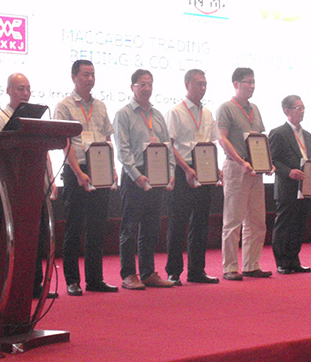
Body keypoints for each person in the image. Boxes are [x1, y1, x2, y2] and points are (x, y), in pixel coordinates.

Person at [0, 73, 58, 298]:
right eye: (20, 89)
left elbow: (43, 153)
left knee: (37, 237)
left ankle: (35, 285)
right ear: (8, 91)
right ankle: (14, 287)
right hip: (12, 188)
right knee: (15, 240)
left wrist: (50, 178)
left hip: (36, 186)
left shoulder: (34, 121)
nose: (26, 93)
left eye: (28, 89)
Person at [56, 60, 118, 296]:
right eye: (85, 74)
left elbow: (107, 138)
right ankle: (72, 280)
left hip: (100, 168)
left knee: (97, 227)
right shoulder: (64, 106)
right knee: (74, 227)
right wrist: (78, 173)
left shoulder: (100, 106)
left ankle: (95, 279)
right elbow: (65, 142)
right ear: (74, 77)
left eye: (92, 74)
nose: (90, 79)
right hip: (77, 170)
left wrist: (112, 168)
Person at [113, 69, 175, 290]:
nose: (147, 88)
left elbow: (167, 147)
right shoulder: (124, 114)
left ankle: (148, 273)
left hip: (157, 174)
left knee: (151, 227)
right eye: (142, 84)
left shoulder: (157, 115)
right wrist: (137, 176)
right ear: (132, 87)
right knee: (130, 228)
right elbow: (123, 150)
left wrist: (170, 172)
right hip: (134, 176)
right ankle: (129, 274)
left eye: (150, 84)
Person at [164, 69, 220, 286]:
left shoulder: (207, 113)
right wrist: (187, 169)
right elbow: (169, 145)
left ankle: (197, 271)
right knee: (178, 222)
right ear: (187, 84)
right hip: (183, 171)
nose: (202, 88)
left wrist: (215, 168)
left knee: (201, 223)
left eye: (205, 84)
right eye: (198, 84)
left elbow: (211, 143)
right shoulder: (176, 112)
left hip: (204, 170)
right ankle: (173, 272)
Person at [216, 67, 272, 281]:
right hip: (236, 167)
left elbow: (260, 138)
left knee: (257, 220)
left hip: (255, 170)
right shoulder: (226, 108)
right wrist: (241, 162)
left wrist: (267, 163)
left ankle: (251, 264)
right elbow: (222, 139)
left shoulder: (254, 108)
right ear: (236, 84)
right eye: (248, 82)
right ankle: (230, 267)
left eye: (253, 82)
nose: (252, 86)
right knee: (233, 220)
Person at [268, 95, 311, 274]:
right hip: (287, 186)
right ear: (287, 111)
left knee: (299, 224)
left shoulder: (307, 135)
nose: (302, 111)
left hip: (305, 186)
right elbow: (273, 160)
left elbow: (310, 160)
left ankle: (294, 260)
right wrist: (289, 172)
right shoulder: (278, 133)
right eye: (298, 108)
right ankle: (282, 262)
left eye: (303, 108)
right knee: (285, 224)